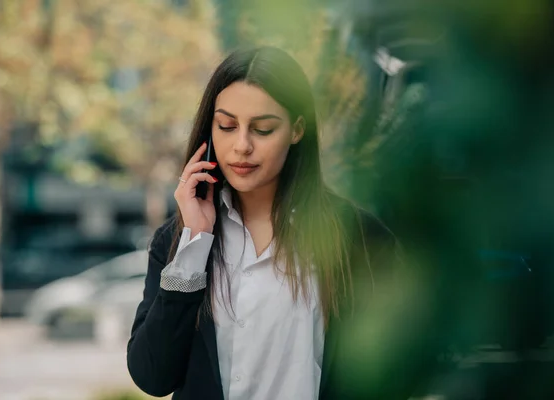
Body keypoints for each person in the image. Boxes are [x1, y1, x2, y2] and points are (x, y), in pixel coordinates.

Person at [127, 46, 404, 400]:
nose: (241, 145)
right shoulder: (178, 242)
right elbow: (152, 376)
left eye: (263, 129)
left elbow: (391, 375)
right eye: (227, 126)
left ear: (297, 129)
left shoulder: (360, 239)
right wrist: (194, 245)